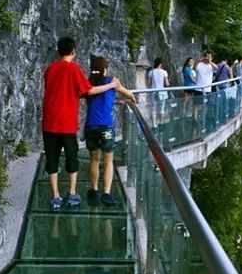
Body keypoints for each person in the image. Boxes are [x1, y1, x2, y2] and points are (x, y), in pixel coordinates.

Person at [42, 37, 120, 210]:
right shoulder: (73, 68)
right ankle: (72, 193)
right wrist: (112, 85)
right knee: (72, 159)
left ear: (59, 50)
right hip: (67, 123)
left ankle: (55, 196)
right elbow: (89, 90)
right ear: (73, 51)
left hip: (48, 122)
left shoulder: (49, 69)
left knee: (52, 160)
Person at [85, 56, 135, 206]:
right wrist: (131, 98)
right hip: (106, 126)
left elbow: (97, 99)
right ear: (105, 69)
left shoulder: (89, 83)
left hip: (91, 126)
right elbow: (128, 93)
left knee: (94, 159)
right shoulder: (111, 82)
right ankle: (106, 193)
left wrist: (115, 101)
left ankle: (94, 190)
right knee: (108, 161)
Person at [147, 57, 170, 127]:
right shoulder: (164, 72)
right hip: (162, 92)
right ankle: (161, 122)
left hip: (153, 91)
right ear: (161, 64)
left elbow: (148, 83)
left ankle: (154, 125)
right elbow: (167, 84)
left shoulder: (151, 72)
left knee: (153, 109)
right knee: (162, 108)